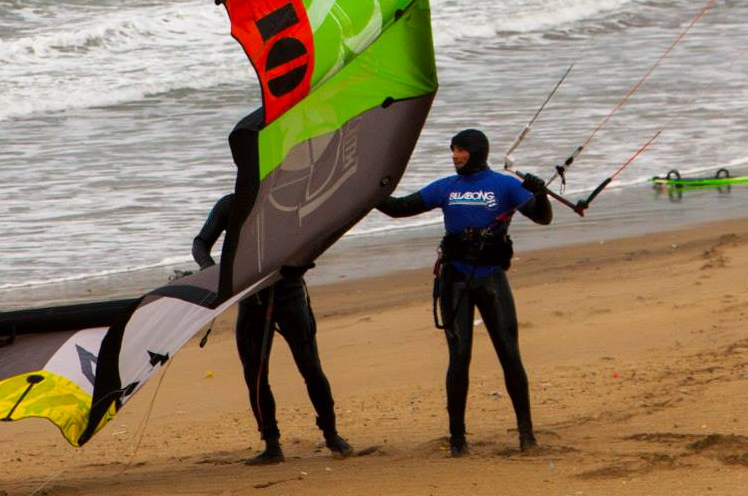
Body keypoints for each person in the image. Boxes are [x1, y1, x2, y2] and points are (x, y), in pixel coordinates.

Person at [378, 128, 551, 457]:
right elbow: (398, 208)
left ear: (476, 152)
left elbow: (542, 218)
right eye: (453, 149)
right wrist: (369, 192)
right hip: (455, 280)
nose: (454, 155)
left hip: (491, 280)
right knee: (459, 359)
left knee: (510, 355)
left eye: (460, 150)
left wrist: (540, 194)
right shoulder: (447, 187)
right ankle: (458, 440)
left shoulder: (505, 185)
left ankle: (527, 435)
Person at [192, 195, 354, 466]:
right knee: (254, 374)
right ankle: (271, 444)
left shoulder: (285, 200)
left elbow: (315, 237)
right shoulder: (231, 204)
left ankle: (332, 435)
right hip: (251, 299)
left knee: (311, 368)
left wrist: (301, 262)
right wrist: (214, 273)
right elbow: (200, 244)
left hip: (289, 294)